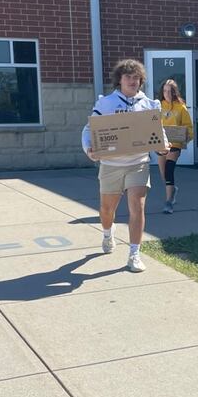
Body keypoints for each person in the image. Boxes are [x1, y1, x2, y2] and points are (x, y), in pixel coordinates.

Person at [82, 59, 168, 273]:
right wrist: (89, 149)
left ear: (141, 81)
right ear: (119, 80)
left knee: (137, 207)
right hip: (111, 164)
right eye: (128, 77)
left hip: (138, 164)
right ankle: (107, 233)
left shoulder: (149, 104)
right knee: (106, 209)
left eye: (136, 77)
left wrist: (163, 146)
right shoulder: (106, 104)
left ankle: (134, 254)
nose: (132, 81)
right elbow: (88, 130)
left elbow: (158, 133)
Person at [156, 79, 193, 214]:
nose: (167, 94)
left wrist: (186, 137)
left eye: (170, 91)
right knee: (163, 175)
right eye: (165, 91)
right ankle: (173, 190)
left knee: (169, 170)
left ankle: (168, 202)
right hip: (161, 144)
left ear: (175, 92)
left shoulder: (180, 107)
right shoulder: (158, 106)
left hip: (175, 144)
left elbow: (189, 127)